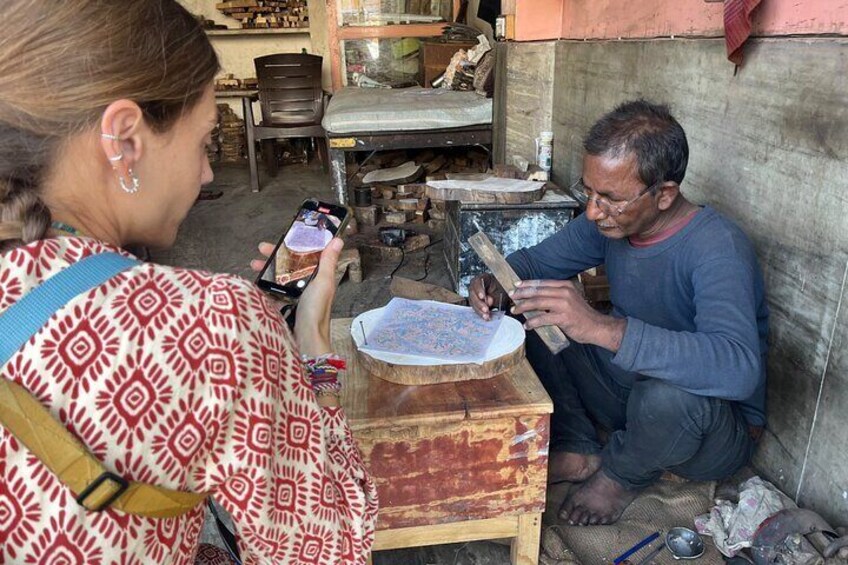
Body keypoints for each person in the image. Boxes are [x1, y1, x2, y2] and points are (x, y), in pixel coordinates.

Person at [0, 1, 377, 563]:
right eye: (204, 142)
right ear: (124, 138)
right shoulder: (212, 322)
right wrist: (310, 350)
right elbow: (332, 546)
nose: (206, 173)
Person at [469, 100, 768, 527]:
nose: (593, 211)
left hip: (708, 427)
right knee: (532, 309)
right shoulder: (611, 224)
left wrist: (600, 328)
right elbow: (534, 266)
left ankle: (619, 476)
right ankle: (579, 448)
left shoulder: (718, 248)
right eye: (588, 192)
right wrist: (497, 282)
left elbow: (737, 369)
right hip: (627, 393)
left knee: (666, 397)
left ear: (664, 194)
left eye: (610, 198)